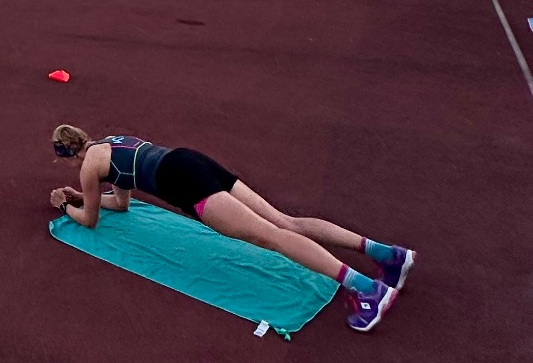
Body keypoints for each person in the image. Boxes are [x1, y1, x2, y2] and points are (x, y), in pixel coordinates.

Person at [48, 125, 412, 333]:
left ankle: (368, 290)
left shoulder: (86, 168)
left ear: (64, 156)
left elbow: (92, 221)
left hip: (181, 182)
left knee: (272, 238)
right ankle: (387, 255)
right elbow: (122, 202)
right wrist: (84, 196)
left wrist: (67, 205)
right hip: (186, 160)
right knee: (285, 221)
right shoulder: (111, 140)